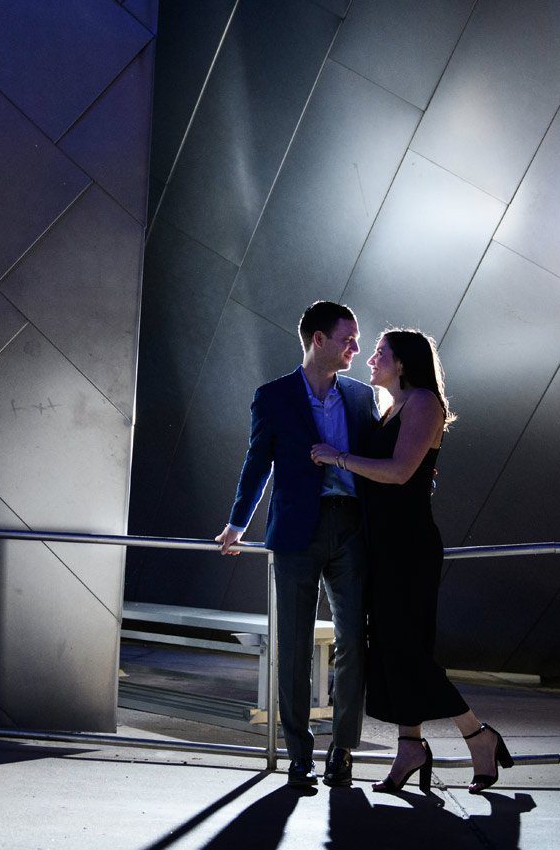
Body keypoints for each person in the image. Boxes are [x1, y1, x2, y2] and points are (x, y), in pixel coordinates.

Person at [311, 329, 513, 794]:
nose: (371, 359)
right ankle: (409, 747)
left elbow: (401, 473)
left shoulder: (423, 402)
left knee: (406, 649)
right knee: (387, 647)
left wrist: (338, 458)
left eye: (380, 353)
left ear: (402, 362)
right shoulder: (390, 409)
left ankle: (478, 735)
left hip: (408, 547)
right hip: (382, 545)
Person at [216, 301, 380, 787]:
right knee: (292, 644)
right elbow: (256, 463)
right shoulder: (273, 396)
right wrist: (237, 523)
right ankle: (299, 753)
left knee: (354, 640)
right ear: (318, 339)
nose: (356, 347)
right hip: (294, 534)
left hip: (351, 529)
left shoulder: (360, 396)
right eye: (348, 337)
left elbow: (379, 459)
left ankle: (343, 750)